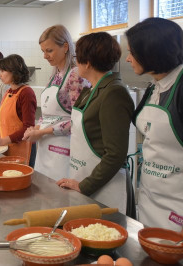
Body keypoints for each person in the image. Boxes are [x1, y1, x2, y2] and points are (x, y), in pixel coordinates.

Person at [56, 32, 135, 216]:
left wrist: (85, 185)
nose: (75, 63)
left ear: (88, 62)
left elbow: (115, 154)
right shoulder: (91, 89)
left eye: (78, 58)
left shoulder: (114, 92)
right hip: (86, 177)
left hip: (106, 188)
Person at [125, 17, 183, 230]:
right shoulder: (154, 87)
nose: (128, 58)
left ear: (151, 51)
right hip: (151, 199)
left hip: (177, 208)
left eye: (132, 52)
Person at [23, 25, 90, 180]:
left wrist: (42, 132)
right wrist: (35, 128)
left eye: (49, 50)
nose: (45, 56)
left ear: (65, 47)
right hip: (46, 149)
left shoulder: (75, 75)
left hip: (64, 150)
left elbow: (78, 120)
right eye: (43, 51)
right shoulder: (56, 74)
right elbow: (48, 115)